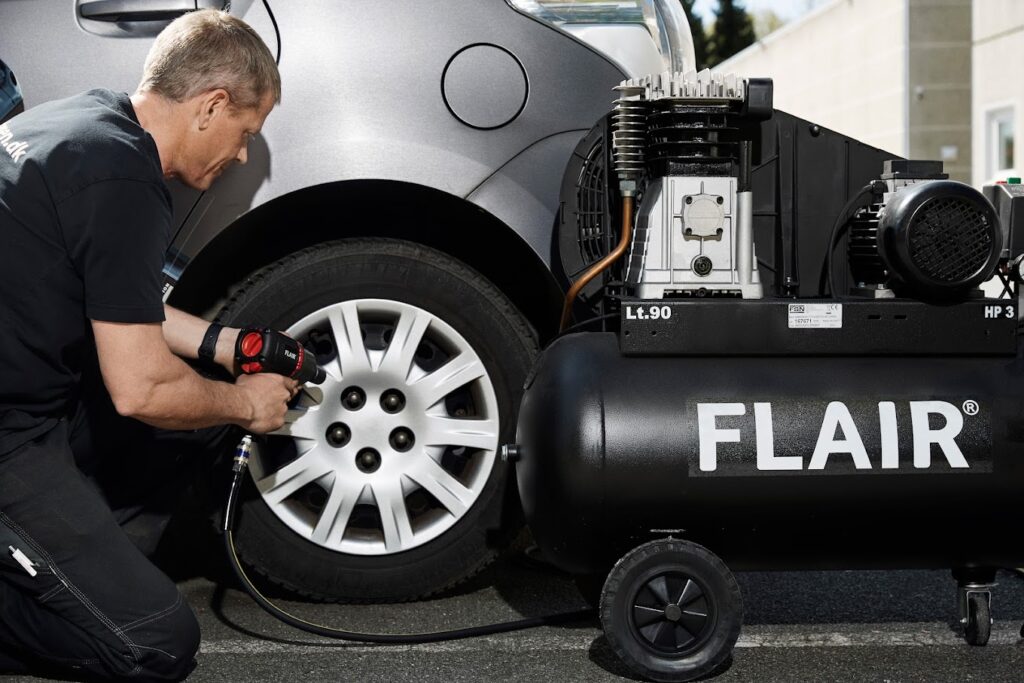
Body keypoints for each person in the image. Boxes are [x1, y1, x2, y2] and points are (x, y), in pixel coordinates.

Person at [0, 10, 296, 681]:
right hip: (9, 432)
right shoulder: (125, 182)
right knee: (157, 642)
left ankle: (67, 561)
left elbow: (122, 304)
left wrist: (232, 344)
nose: (243, 153)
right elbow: (141, 389)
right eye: (246, 132)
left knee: (190, 434)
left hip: (27, 402)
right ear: (210, 106)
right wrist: (246, 404)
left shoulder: (82, 126)